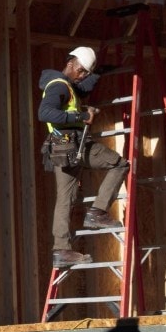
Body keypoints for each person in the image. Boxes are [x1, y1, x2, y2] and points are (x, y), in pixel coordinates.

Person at [39, 46, 129, 268]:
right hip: (73, 145)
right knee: (119, 164)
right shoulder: (59, 86)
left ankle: (61, 250)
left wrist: (99, 72)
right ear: (70, 63)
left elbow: (82, 89)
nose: (81, 76)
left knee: (65, 198)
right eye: (80, 71)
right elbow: (45, 112)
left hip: (61, 149)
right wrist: (81, 116)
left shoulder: (67, 85)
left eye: (85, 73)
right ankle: (98, 212)